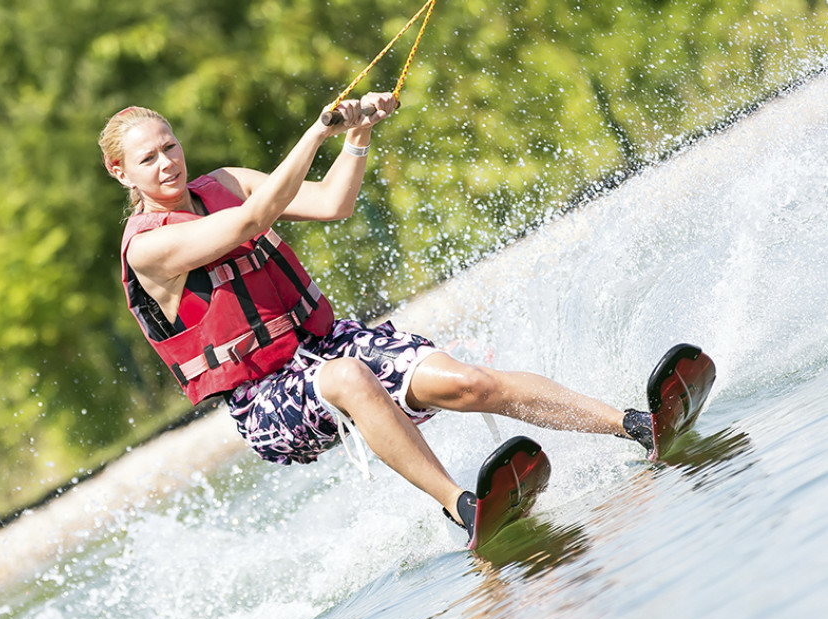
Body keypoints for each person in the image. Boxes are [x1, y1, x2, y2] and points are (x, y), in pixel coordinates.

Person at [98, 93, 653, 539]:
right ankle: (462, 508)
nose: (167, 163)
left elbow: (332, 203)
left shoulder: (225, 183)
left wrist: (357, 134)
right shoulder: (146, 248)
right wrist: (317, 133)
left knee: (466, 383)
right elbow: (249, 222)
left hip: (330, 345)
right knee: (346, 376)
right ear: (121, 173)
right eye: (148, 159)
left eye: (170, 146)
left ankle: (633, 425)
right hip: (264, 400)